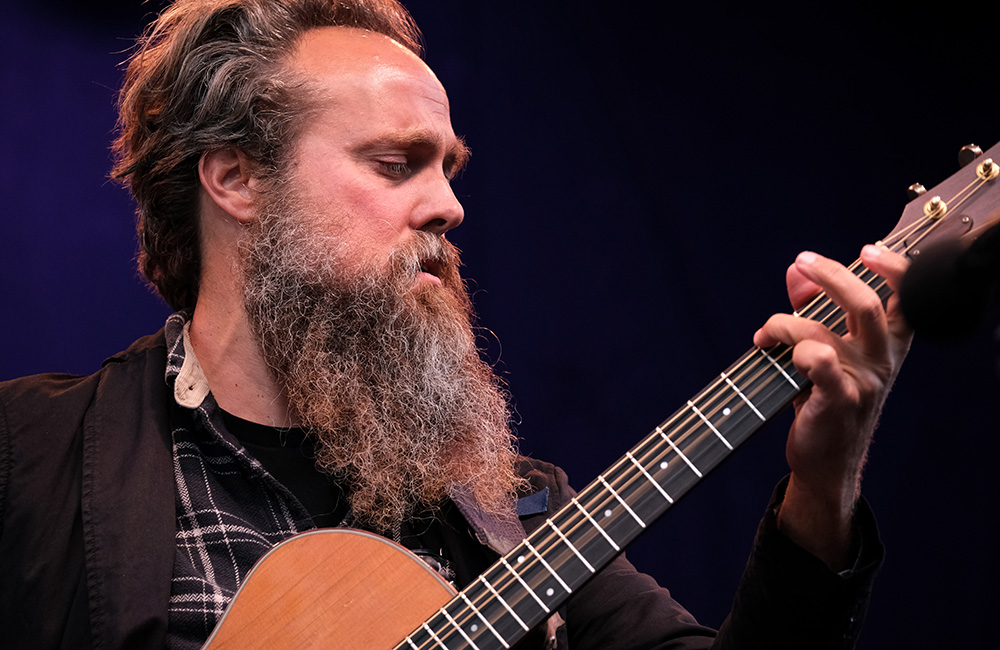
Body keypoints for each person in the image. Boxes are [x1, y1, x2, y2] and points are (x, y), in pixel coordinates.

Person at [0, 0, 912, 648]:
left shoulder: (517, 517)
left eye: (450, 168)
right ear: (236, 178)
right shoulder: (30, 454)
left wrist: (824, 479)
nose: (448, 207)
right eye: (397, 164)